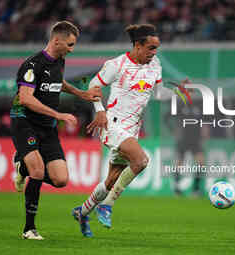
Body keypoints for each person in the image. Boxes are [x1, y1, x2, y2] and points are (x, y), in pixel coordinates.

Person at [72, 24, 180, 237]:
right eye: (150, 48)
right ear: (137, 46)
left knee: (111, 180)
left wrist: (176, 91)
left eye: (156, 48)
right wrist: (99, 110)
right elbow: (93, 85)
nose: (154, 52)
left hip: (132, 129)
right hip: (112, 124)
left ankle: (83, 212)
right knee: (141, 161)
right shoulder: (117, 64)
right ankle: (107, 205)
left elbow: (157, 93)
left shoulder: (155, 65)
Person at [10, 20, 102, 240]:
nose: (72, 49)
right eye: (69, 45)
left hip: (47, 127)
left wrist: (82, 94)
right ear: (57, 40)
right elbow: (25, 98)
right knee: (39, 172)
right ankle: (29, 229)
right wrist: (59, 115)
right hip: (25, 121)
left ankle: (22, 167)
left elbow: (58, 83)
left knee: (61, 180)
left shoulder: (59, 62)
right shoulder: (32, 64)